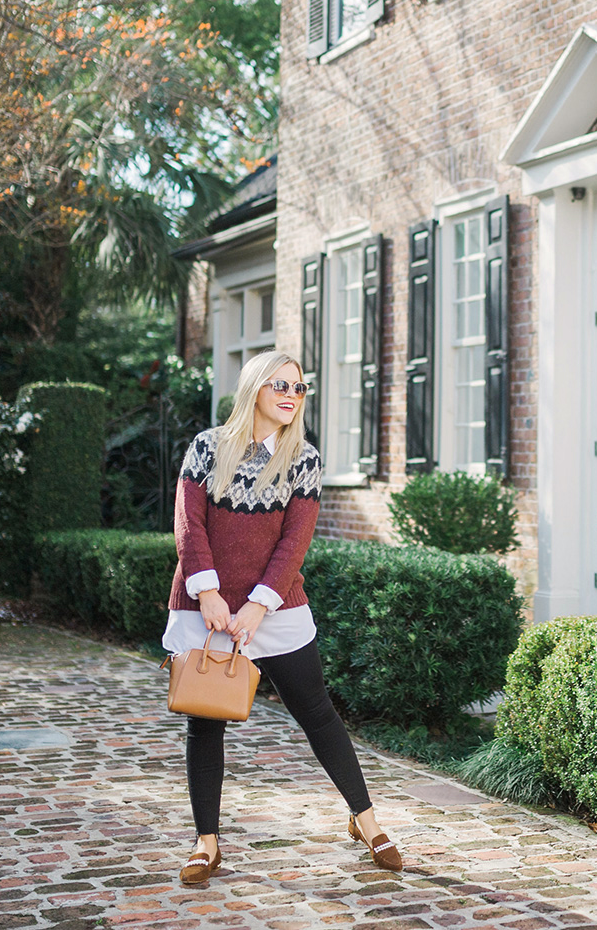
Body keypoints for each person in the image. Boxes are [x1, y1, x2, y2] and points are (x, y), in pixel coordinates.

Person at [162, 350, 402, 884]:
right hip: (209, 608)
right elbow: (188, 527)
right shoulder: (207, 448)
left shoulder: (305, 460)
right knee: (206, 723)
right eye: (280, 386)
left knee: (318, 713)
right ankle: (207, 843)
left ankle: (366, 820)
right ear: (254, 390)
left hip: (274, 607)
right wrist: (210, 595)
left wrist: (258, 603)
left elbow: (294, 543)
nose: (291, 396)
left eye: (299, 387)